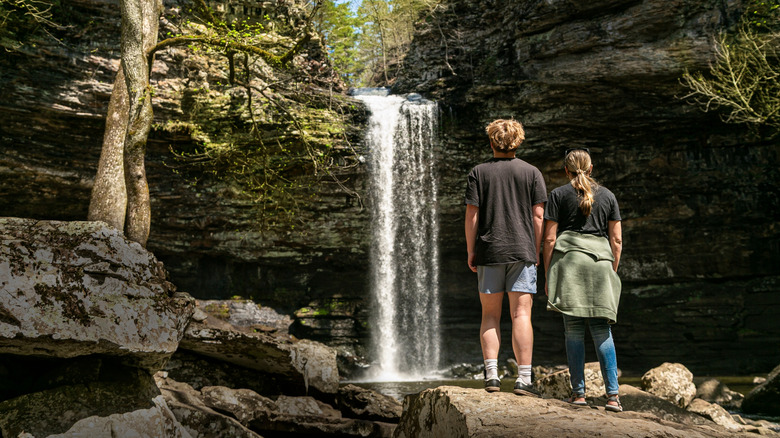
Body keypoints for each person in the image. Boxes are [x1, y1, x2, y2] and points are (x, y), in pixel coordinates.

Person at [464, 119, 547, 396]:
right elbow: (538, 216)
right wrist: (535, 250)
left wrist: (471, 249)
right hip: (522, 251)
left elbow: (472, 215)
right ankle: (524, 379)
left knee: (490, 315)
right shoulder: (532, 173)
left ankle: (492, 377)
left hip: (490, 250)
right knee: (521, 313)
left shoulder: (479, 172)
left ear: (491, 142)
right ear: (518, 141)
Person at [542, 148, 623, 412]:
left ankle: (579, 395)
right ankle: (613, 397)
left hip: (570, 266)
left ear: (566, 170)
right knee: (602, 331)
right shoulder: (608, 196)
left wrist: (547, 273)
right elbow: (617, 240)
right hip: (600, 265)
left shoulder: (557, 195)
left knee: (573, 332)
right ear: (591, 169)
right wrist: (612, 270)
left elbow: (550, 240)